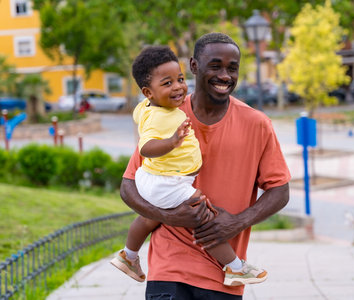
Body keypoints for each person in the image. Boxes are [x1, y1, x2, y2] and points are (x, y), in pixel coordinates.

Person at [120, 33, 290, 299]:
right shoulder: (165, 115)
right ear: (194, 66)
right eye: (215, 66)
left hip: (224, 277)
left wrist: (236, 222)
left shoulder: (257, 124)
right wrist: (167, 216)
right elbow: (128, 185)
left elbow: (280, 190)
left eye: (232, 68)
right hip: (169, 270)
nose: (225, 75)